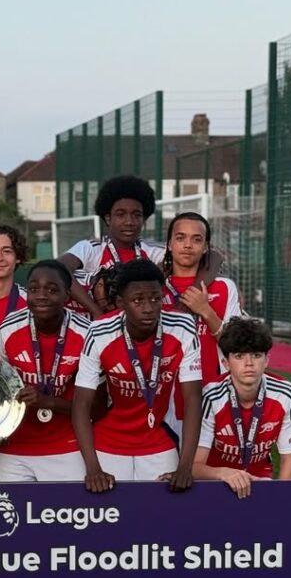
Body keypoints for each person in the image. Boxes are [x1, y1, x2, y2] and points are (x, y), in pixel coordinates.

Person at [72, 259, 202, 491]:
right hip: (108, 442)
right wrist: (93, 468)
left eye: (155, 298)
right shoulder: (100, 332)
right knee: (111, 521)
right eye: (137, 300)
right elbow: (82, 403)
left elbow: (193, 399)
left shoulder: (183, 327)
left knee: (162, 520)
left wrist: (185, 466)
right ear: (121, 303)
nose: (149, 307)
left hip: (157, 440)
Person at [0, 260, 91, 482]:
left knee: (66, 516)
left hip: (68, 447)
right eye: (34, 289)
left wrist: (51, 402)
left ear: (67, 295)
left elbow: (98, 407)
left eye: (52, 290)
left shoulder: (86, 334)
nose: (41, 296)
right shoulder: (8, 330)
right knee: (15, 514)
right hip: (15, 447)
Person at [192, 318, 291, 498]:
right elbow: (195, 467)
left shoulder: (285, 393)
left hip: (261, 480)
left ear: (267, 360)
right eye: (239, 356)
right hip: (216, 481)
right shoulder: (211, 396)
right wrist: (223, 473)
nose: (249, 363)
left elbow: (289, 461)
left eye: (256, 355)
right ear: (226, 363)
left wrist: (282, 500)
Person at [58, 176, 165, 319]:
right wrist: (95, 310)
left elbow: (201, 258)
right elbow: (58, 268)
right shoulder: (91, 248)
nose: (129, 222)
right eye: (121, 214)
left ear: (143, 219)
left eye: (136, 215)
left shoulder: (153, 251)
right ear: (108, 218)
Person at [161, 212, 242, 383]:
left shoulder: (224, 287)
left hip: (212, 393)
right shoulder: (155, 290)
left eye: (197, 239)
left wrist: (206, 311)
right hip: (164, 396)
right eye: (180, 238)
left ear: (206, 247)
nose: (188, 245)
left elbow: (238, 345)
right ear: (169, 244)